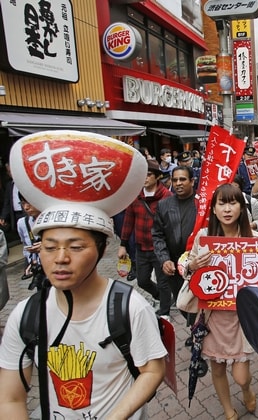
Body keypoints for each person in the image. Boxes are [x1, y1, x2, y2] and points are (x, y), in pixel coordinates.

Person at [0, 136, 166, 419]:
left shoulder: (130, 308)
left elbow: (152, 370)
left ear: (101, 250)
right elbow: (11, 398)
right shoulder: (25, 316)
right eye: (50, 247)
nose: (61, 258)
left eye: (76, 247)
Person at [184, 184, 257, 420]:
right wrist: (193, 266)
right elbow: (188, 274)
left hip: (243, 317)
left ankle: (246, 389)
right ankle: (228, 410)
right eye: (221, 203)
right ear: (213, 209)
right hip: (213, 316)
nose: (227, 209)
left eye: (233, 203)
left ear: (242, 208)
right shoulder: (203, 238)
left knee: (241, 375)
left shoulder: (254, 240)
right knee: (217, 368)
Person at [119, 159, 173, 318]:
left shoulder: (166, 197)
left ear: (157, 177)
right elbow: (128, 220)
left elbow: (171, 225)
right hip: (141, 247)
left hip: (160, 248)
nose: (145, 178)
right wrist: (122, 244)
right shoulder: (135, 196)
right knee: (142, 280)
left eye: (149, 175)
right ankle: (162, 298)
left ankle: (164, 313)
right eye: (143, 174)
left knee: (164, 283)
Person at [152, 166, 198, 337]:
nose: (178, 183)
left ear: (192, 181)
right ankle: (195, 329)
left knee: (198, 302)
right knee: (182, 303)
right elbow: (157, 235)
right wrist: (164, 259)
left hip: (198, 264)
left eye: (183, 179)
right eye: (175, 180)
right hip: (174, 266)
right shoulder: (164, 205)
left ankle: (197, 334)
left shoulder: (202, 203)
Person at [16, 193, 41, 280]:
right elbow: (25, 245)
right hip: (38, 271)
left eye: (29, 202)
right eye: (23, 203)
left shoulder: (52, 219)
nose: (26, 207)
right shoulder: (22, 223)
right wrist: (31, 261)